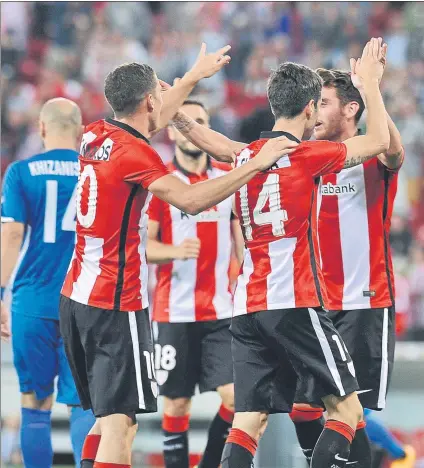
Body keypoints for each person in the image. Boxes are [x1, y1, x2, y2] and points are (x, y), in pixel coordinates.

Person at [58, 44, 298, 468]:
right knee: (120, 424)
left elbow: (151, 118)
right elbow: (188, 200)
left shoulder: (95, 134)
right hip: (115, 302)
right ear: (150, 101)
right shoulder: (138, 155)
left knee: (104, 417)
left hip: (76, 294)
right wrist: (253, 165)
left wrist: (190, 78)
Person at [171, 37, 389, 468]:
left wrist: (174, 105)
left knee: (247, 422)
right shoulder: (309, 155)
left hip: (245, 306)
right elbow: (379, 140)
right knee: (347, 410)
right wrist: (370, 85)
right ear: (310, 109)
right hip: (293, 300)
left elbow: (209, 140)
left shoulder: (247, 156)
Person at [288, 55, 415, 468]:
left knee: (351, 411)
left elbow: (393, 152)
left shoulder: (374, 159)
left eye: (323, 102)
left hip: (364, 302)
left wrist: (370, 86)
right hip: (318, 306)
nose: (315, 110)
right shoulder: (308, 158)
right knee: (304, 409)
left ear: (350, 108)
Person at [147, 99, 244, 468]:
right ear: (171, 131)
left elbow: (241, 242)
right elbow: (144, 247)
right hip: (174, 312)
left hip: (221, 310)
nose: (191, 127)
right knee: (176, 404)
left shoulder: (226, 179)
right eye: (183, 121)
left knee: (237, 399)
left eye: (200, 121)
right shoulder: (160, 182)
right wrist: (174, 250)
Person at [0, 98, 96, 468]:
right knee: (82, 401)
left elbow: (11, 238)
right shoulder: (94, 171)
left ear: (41, 128)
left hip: (32, 302)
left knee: (34, 403)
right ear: (81, 129)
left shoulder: (21, 172)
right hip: (83, 301)